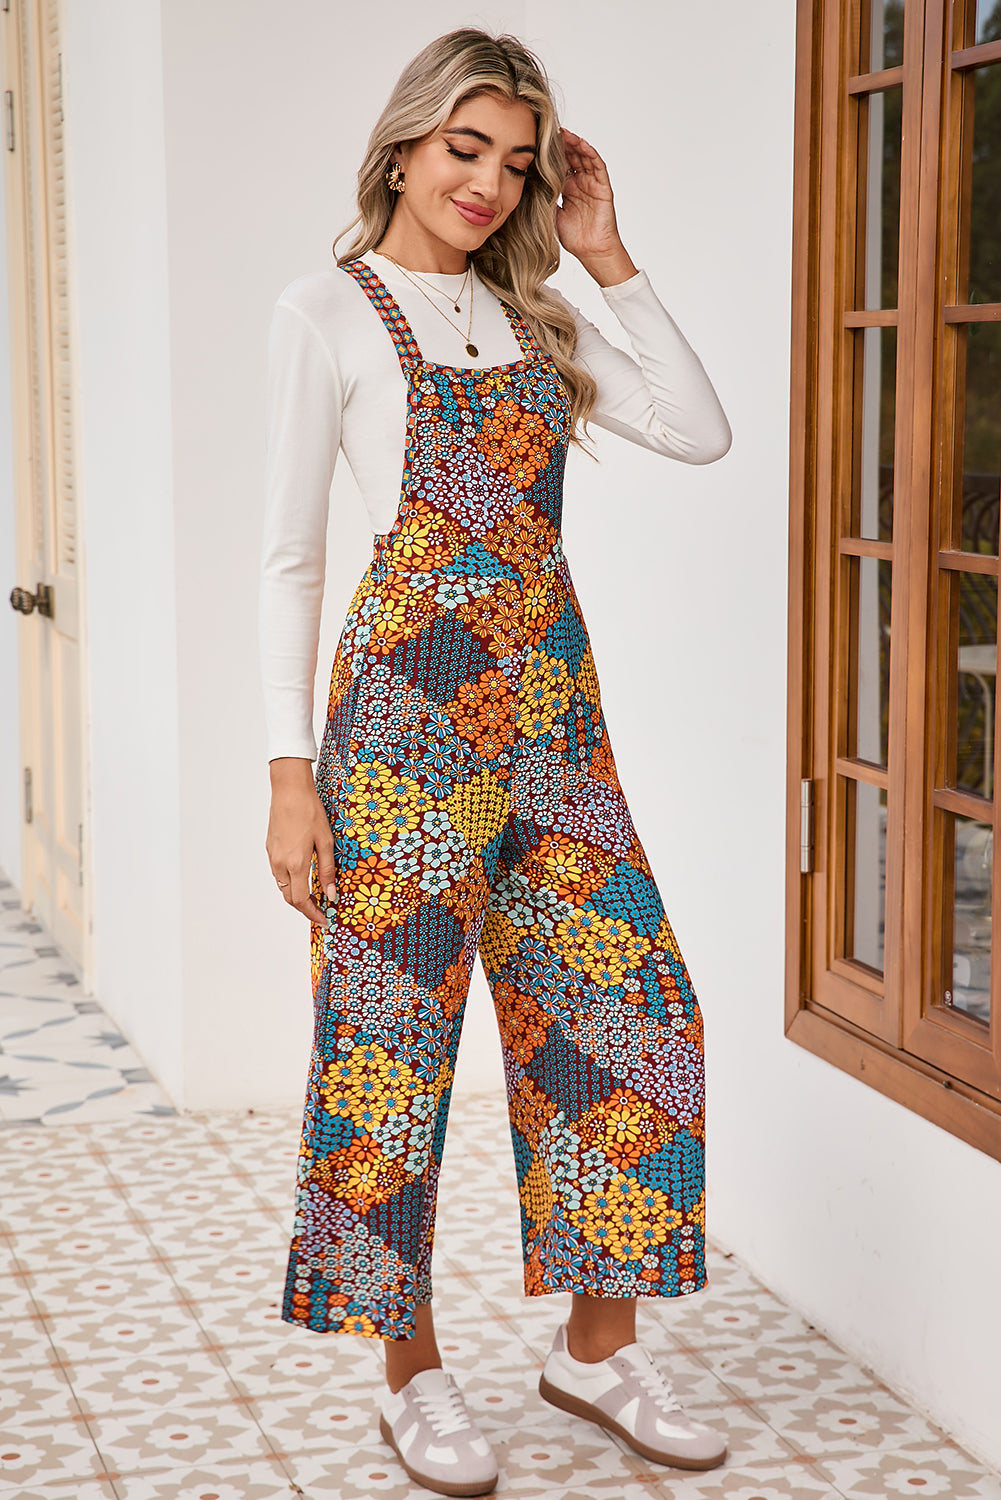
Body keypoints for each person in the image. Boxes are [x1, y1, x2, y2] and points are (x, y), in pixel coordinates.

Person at [260, 26, 732, 1499]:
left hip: (550, 720)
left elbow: (700, 433)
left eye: (515, 161)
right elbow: (287, 556)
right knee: (388, 1059)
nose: (485, 181)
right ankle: (410, 1376)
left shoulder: (536, 316)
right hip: (400, 726)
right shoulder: (326, 312)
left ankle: (592, 1354)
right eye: (465, 148)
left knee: (633, 1019)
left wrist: (605, 252)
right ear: (405, 144)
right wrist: (289, 775)